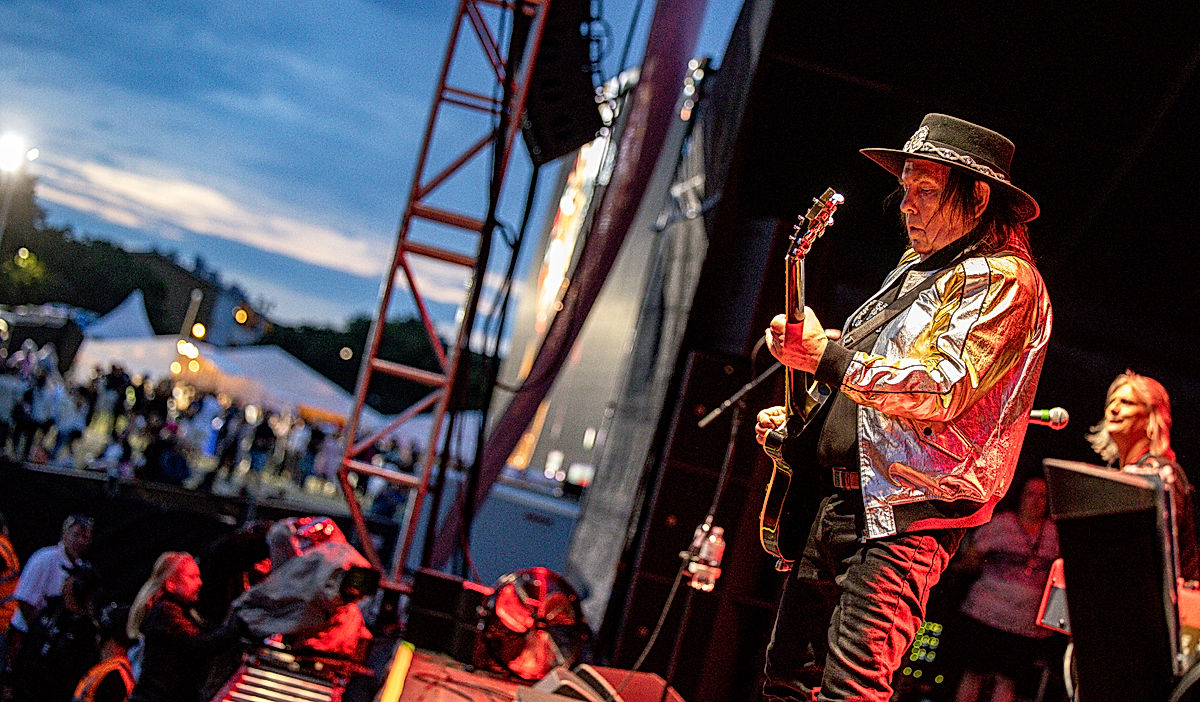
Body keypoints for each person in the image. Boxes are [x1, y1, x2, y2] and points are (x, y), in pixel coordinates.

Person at [754, 113, 1053, 701]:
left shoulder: (1004, 279)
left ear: (978, 198)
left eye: (927, 190)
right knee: (788, 678)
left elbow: (940, 388)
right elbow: (873, 377)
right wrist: (809, 419)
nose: (907, 205)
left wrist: (824, 356)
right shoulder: (917, 267)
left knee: (852, 688)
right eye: (906, 188)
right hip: (844, 500)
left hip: (906, 517)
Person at [953, 477, 1063, 702]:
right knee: (973, 675)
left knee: (1008, 682)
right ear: (1020, 496)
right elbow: (971, 558)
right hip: (986, 615)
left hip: (1025, 625)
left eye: (1042, 496)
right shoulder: (1002, 523)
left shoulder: (1054, 533)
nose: (1036, 501)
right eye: (1031, 494)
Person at [1086, 370, 1199, 580]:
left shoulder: (1162, 472)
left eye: (1127, 402)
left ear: (1150, 418)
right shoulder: (1124, 474)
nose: (1114, 409)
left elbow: (1153, 547)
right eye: (1112, 402)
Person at [126, 552, 237, 702]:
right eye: (192, 577)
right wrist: (238, 627)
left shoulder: (178, 612)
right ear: (171, 584)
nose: (200, 583)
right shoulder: (165, 613)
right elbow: (199, 644)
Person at [8, 562, 101, 702]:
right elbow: (28, 643)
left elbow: (74, 675)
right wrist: (11, 680)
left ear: (79, 586)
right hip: (22, 688)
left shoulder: (86, 631)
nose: (65, 580)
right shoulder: (52, 608)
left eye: (70, 578)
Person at [6, 514, 93, 662]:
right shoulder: (45, 558)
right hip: (24, 635)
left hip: (52, 643)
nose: (80, 541)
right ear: (64, 535)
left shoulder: (82, 569)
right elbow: (24, 600)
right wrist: (39, 631)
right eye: (76, 534)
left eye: (85, 537)